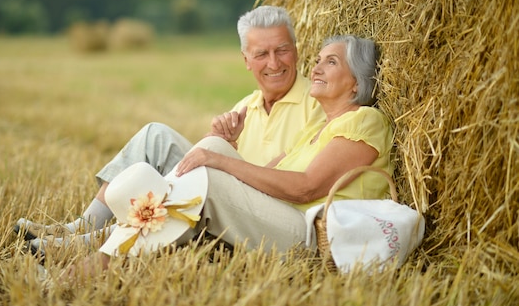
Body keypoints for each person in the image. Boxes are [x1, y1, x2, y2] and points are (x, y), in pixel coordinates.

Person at [66, 33, 393, 277]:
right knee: (211, 147)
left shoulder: (364, 120)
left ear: (356, 84)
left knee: (210, 170)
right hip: (279, 217)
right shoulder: (318, 128)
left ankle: (98, 256)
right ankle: (110, 236)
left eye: (331, 62)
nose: (317, 67)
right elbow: (265, 175)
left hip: (310, 239)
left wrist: (220, 165)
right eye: (319, 59)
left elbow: (306, 187)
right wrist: (223, 150)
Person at [14, 5, 326, 250]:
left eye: (282, 50)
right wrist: (220, 141)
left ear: (297, 50)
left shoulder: (318, 103)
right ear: (246, 60)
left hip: (263, 215)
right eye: (261, 54)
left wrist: (220, 158)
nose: (274, 63)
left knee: (191, 176)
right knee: (155, 135)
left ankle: (91, 242)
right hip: (221, 201)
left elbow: (289, 178)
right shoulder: (245, 105)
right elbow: (205, 162)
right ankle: (82, 226)